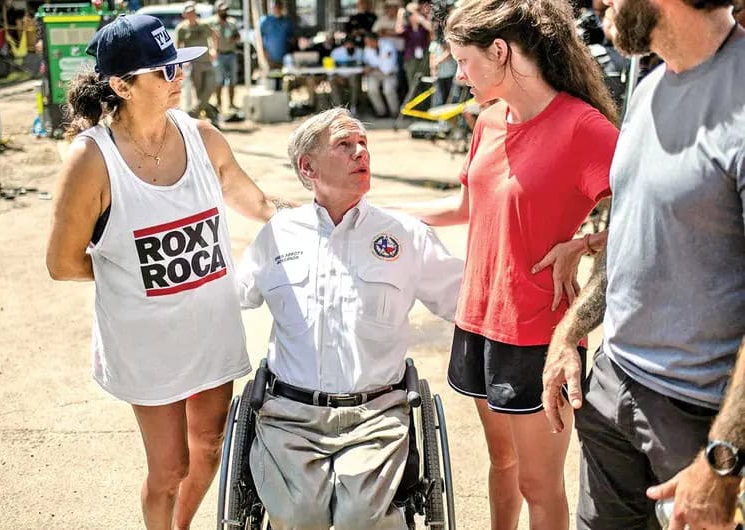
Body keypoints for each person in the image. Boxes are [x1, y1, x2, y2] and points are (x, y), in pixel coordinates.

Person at [45, 14, 279, 530]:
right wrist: (127, 274)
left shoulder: (203, 136)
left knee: (210, 446)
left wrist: (322, 215)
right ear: (122, 86)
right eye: (164, 69)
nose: (179, 76)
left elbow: (257, 202)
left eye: (179, 64)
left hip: (211, 327)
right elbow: (61, 263)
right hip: (146, 341)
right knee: (169, 468)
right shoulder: (91, 160)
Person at [408, 0, 620, 528]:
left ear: (500, 51)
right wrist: (368, 212)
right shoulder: (489, 120)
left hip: (540, 332)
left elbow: (649, 219)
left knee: (538, 484)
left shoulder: (582, 126)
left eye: (463, 60)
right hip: (478, 320)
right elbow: (466, 206)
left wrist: (583, 245)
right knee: (501, 463)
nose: (458, 75)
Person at [541, 0, 745, 528]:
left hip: (698, 417)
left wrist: (724, 458)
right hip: (612, 386)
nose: (600, 3)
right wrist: (570, 333)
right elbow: (627, 232)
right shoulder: (649, 87)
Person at [236, 107, 464, 530]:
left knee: (360, 518)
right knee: (299, 517)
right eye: (344, 145)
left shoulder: (404, 235)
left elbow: (464, 300)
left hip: (376, 419)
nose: (361, 152)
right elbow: (232, 298)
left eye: (363, 143)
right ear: (308, 167)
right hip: (290, 418)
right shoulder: (279, 235)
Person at [176, 2, 219, 126]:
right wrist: (183, 60)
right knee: (200, 93)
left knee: (210, 86)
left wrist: (214, 50)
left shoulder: (204, 25)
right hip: (194, 65)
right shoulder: (182, 28)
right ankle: (212, 116)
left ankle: (193, 113)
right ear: (185, 15)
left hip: (207, 62)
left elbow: (215, 35)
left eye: (193, 12)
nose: (191, 15)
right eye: (189, 13)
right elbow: (178, 45)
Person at [395, 1, 432, 93]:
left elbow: (431, 28)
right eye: (410, 13)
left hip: (424, 58)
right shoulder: (407, 28)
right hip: (411, 58)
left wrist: (420, 18)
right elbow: (398, 31)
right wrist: (400, 15)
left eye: (416, 11)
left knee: (426, 82)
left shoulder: (423, 27)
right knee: (413, 83)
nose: (412, 15)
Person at [210, 0, 240, 111]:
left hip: (231, 54)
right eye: (222, 10)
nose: (224, 12)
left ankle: (231, 103)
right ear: (217, 10)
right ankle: (219, 104)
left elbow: (238, 37)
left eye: (226, 10)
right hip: (219, 55)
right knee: (219, 80)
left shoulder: (232, 23)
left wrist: (234, 38)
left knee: (233, 80)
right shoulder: (212, 23)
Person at [363, 32, 400, 117]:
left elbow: (387, 66)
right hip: (374, 73)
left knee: (388, 90)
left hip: (389, 73)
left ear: (374, 40)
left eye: (368, 42)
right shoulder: (367, 48)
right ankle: (381, 112)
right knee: (371, 90)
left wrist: (372, 68)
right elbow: (367, 62)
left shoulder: (388, 46)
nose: (367, 44)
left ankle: (395, 113)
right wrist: (367, 67)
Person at [328, 39, 363, 111]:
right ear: (344, 44)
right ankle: (339, 108)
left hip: (353, 76)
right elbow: (330, 68)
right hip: (339, 76)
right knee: (332, 80)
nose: (350, 46)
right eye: (348, 44)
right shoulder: (336, 52)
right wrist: (337, 77)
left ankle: (353, 106)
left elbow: (362, 67)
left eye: (352, 45)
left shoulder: (359, 52)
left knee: (354, 80)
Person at [259, 0, 295, 69]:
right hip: (269, 58)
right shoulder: (265, 21)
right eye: (275, 7)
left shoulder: (287, 22)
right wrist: (263, 51)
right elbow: (259, 38)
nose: (277, 9)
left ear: (282, 8)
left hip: (284, 59)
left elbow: (292, 40)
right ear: (272, 8)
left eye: (279, 7)